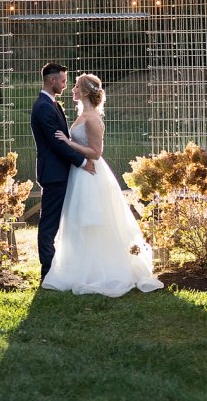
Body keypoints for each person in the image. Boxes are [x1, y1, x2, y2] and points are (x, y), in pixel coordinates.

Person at [42, 72, 164, 297]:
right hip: (79, 173)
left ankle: (100, 269)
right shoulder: (82, 115)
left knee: (93, 221)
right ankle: (80, 266)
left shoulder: (92, 119)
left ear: (86, 92)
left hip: (91, 175)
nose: (73, 90)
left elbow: (96, 153)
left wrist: (69, 143)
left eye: (77, 86)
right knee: (78, 221)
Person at [30, 62, 96, 279]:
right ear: (52, 80)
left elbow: (64, 140)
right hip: (54, 174)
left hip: (61, 172)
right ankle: (47, 273)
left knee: (62, 221)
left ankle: (64, 267)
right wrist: (82, 162)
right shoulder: (43, 107)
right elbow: (58, 143)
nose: (66, 85)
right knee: (49, 223)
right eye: (63, 81)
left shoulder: (52, 104)